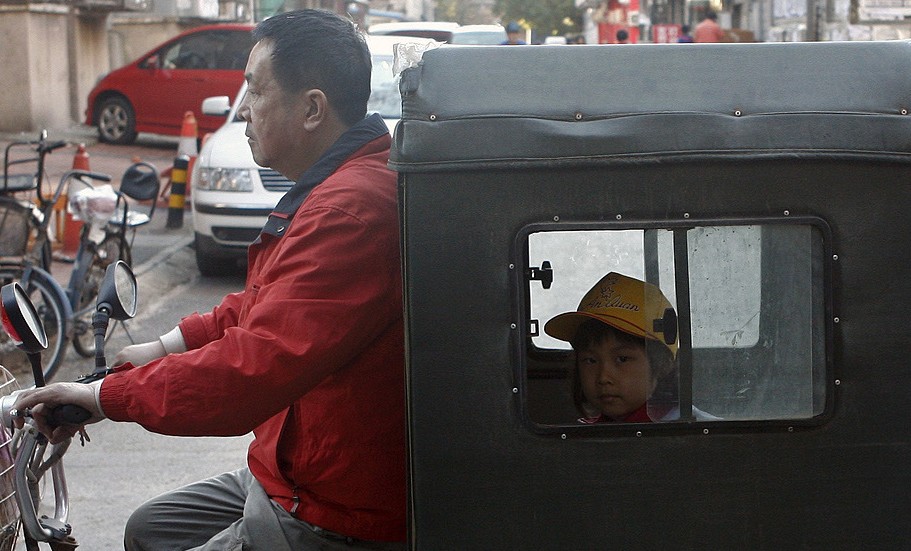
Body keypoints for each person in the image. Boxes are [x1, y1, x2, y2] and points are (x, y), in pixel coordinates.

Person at [14, 9, 407, 551]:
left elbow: (253, 369)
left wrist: (107, 397)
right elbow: (261, 304)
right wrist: (157, 348)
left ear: (313, 108)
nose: (241, 109)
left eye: (255, 90)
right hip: (294, 472)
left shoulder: (349, 210)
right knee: (148, 530)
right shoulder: (339, 186)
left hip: (331, 508)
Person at [544, 272, 716, 423]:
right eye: (590, 360)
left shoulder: (697, 431)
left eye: (622, 359)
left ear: (662, 364)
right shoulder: (584, 434)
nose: (603, 377)